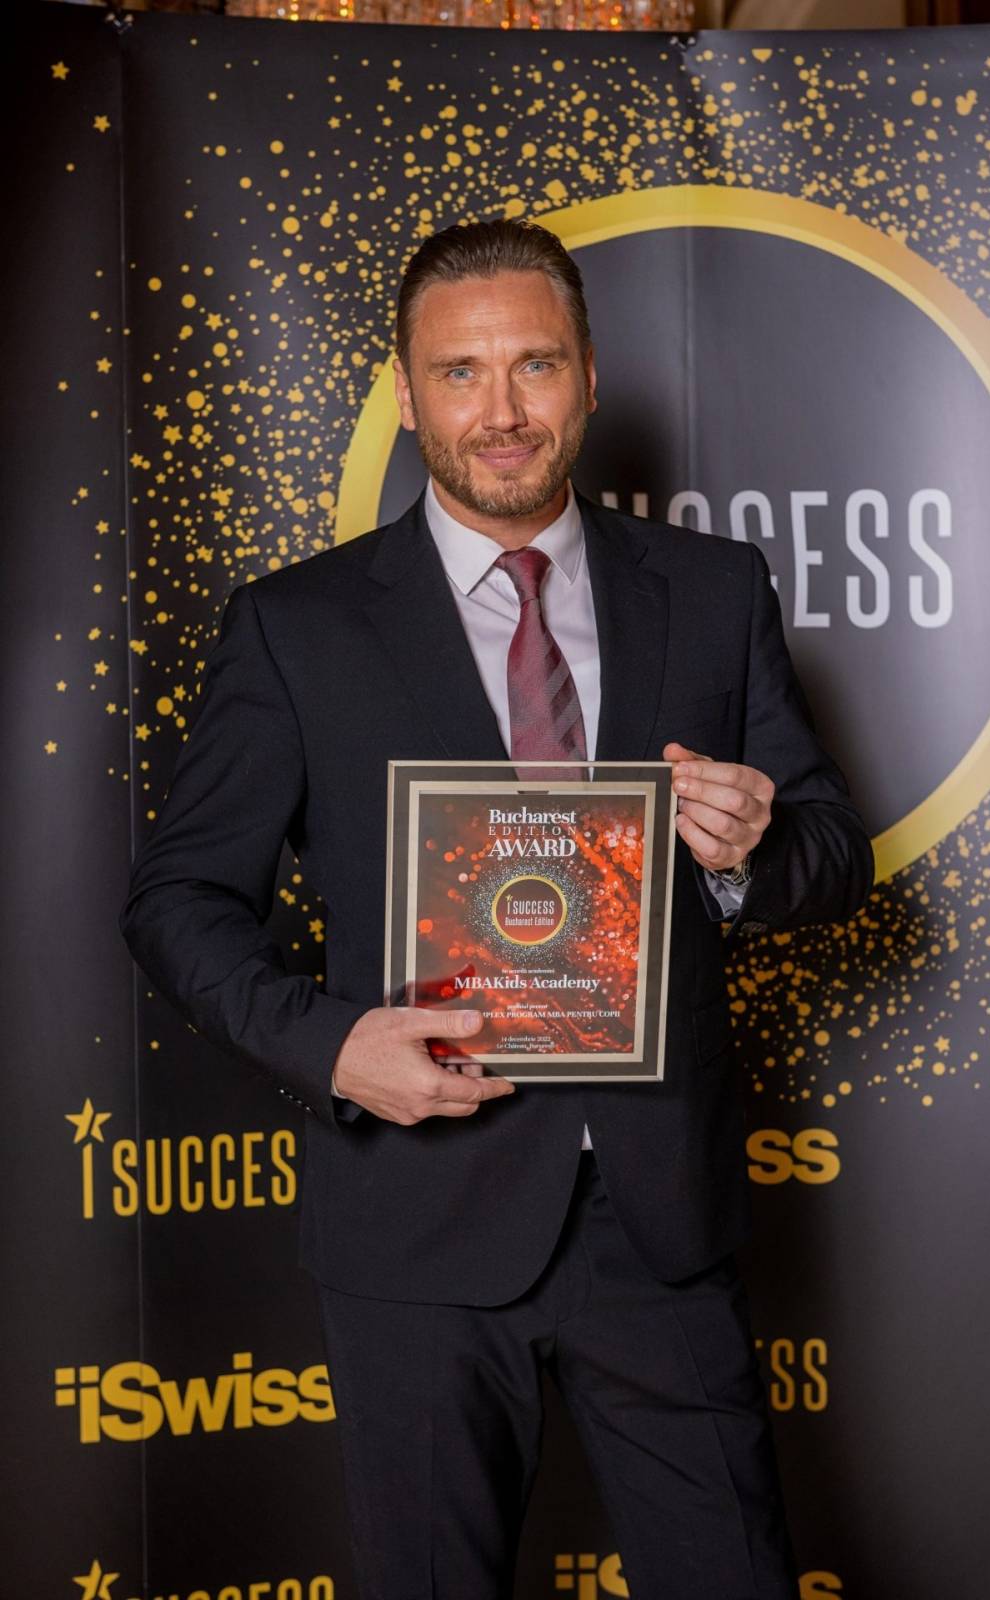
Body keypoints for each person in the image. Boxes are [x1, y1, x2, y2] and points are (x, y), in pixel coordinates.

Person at [120, 219, 873, 1600]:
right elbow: (179, 901)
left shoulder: (714, 592)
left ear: (589, 376)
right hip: (414, 1219)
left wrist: (749, 851)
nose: (503, 410)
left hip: (661, 1218)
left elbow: (833, 850)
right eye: (460, 372)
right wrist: (330, 1044)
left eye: (535, 364)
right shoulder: (297, 626)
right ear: (410, 398)